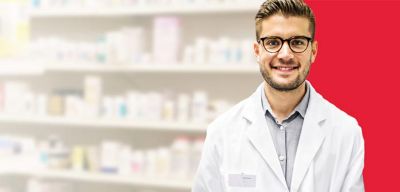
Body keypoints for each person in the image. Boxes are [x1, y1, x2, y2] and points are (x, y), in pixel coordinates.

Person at [191, 0, 365, 191]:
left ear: (313, 51)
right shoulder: (221, 132)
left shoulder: (346, 132)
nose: (285, 54)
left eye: (297, 42)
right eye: (273, 42)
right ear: (257, 51)